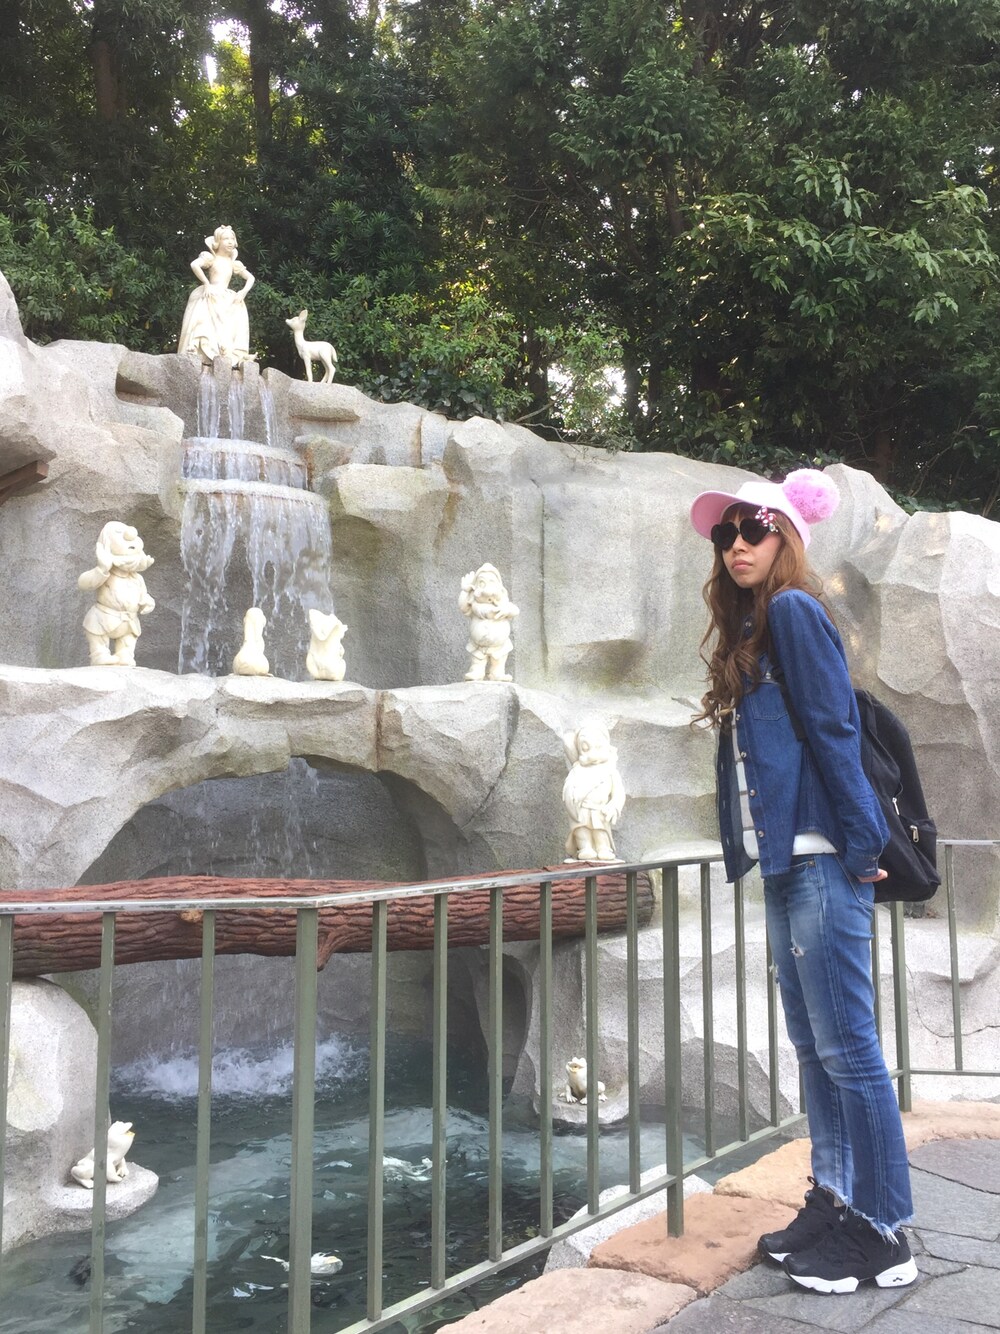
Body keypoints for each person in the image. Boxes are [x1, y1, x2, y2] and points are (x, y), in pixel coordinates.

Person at [689, 468, 918, 1295]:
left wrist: (862, 843)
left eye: (754, 528)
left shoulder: (792, 610)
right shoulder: (756, 627)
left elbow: (834, 728)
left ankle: (884, 1229)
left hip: (826, 857)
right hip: (790, 862)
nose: (737, 544)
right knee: (817, 1048)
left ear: (786, 537)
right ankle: (837, 1199)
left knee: (848, 1049)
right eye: (726, 534)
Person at [177, 224, 255, 366]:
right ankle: (197, 348)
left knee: (233, 320)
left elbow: (251, 278)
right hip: (212, 293)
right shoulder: (211, 258)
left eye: (232, 238)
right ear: (218, 242)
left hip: (226, 296)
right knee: (203, 319)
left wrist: (243, 292)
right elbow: (194, 265)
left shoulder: (234, 263)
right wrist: (206, 283)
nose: (230, 242)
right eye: (226, 239)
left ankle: (227, 353)